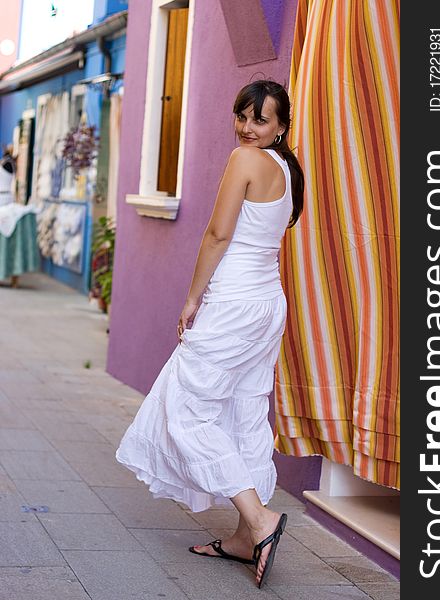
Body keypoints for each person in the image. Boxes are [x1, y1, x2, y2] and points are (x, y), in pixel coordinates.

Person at [115, 79, 304, 588]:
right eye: (241, 116)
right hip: (267, 304)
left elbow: (218, 234)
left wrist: (193, 297)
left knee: (187, 409)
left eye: (259, 120)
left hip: (235, 305)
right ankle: (245, 538)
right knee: (244, 410)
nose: (246, 128)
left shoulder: (246, 161)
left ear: (282, 124)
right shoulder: (287, 169)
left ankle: (260, 523)